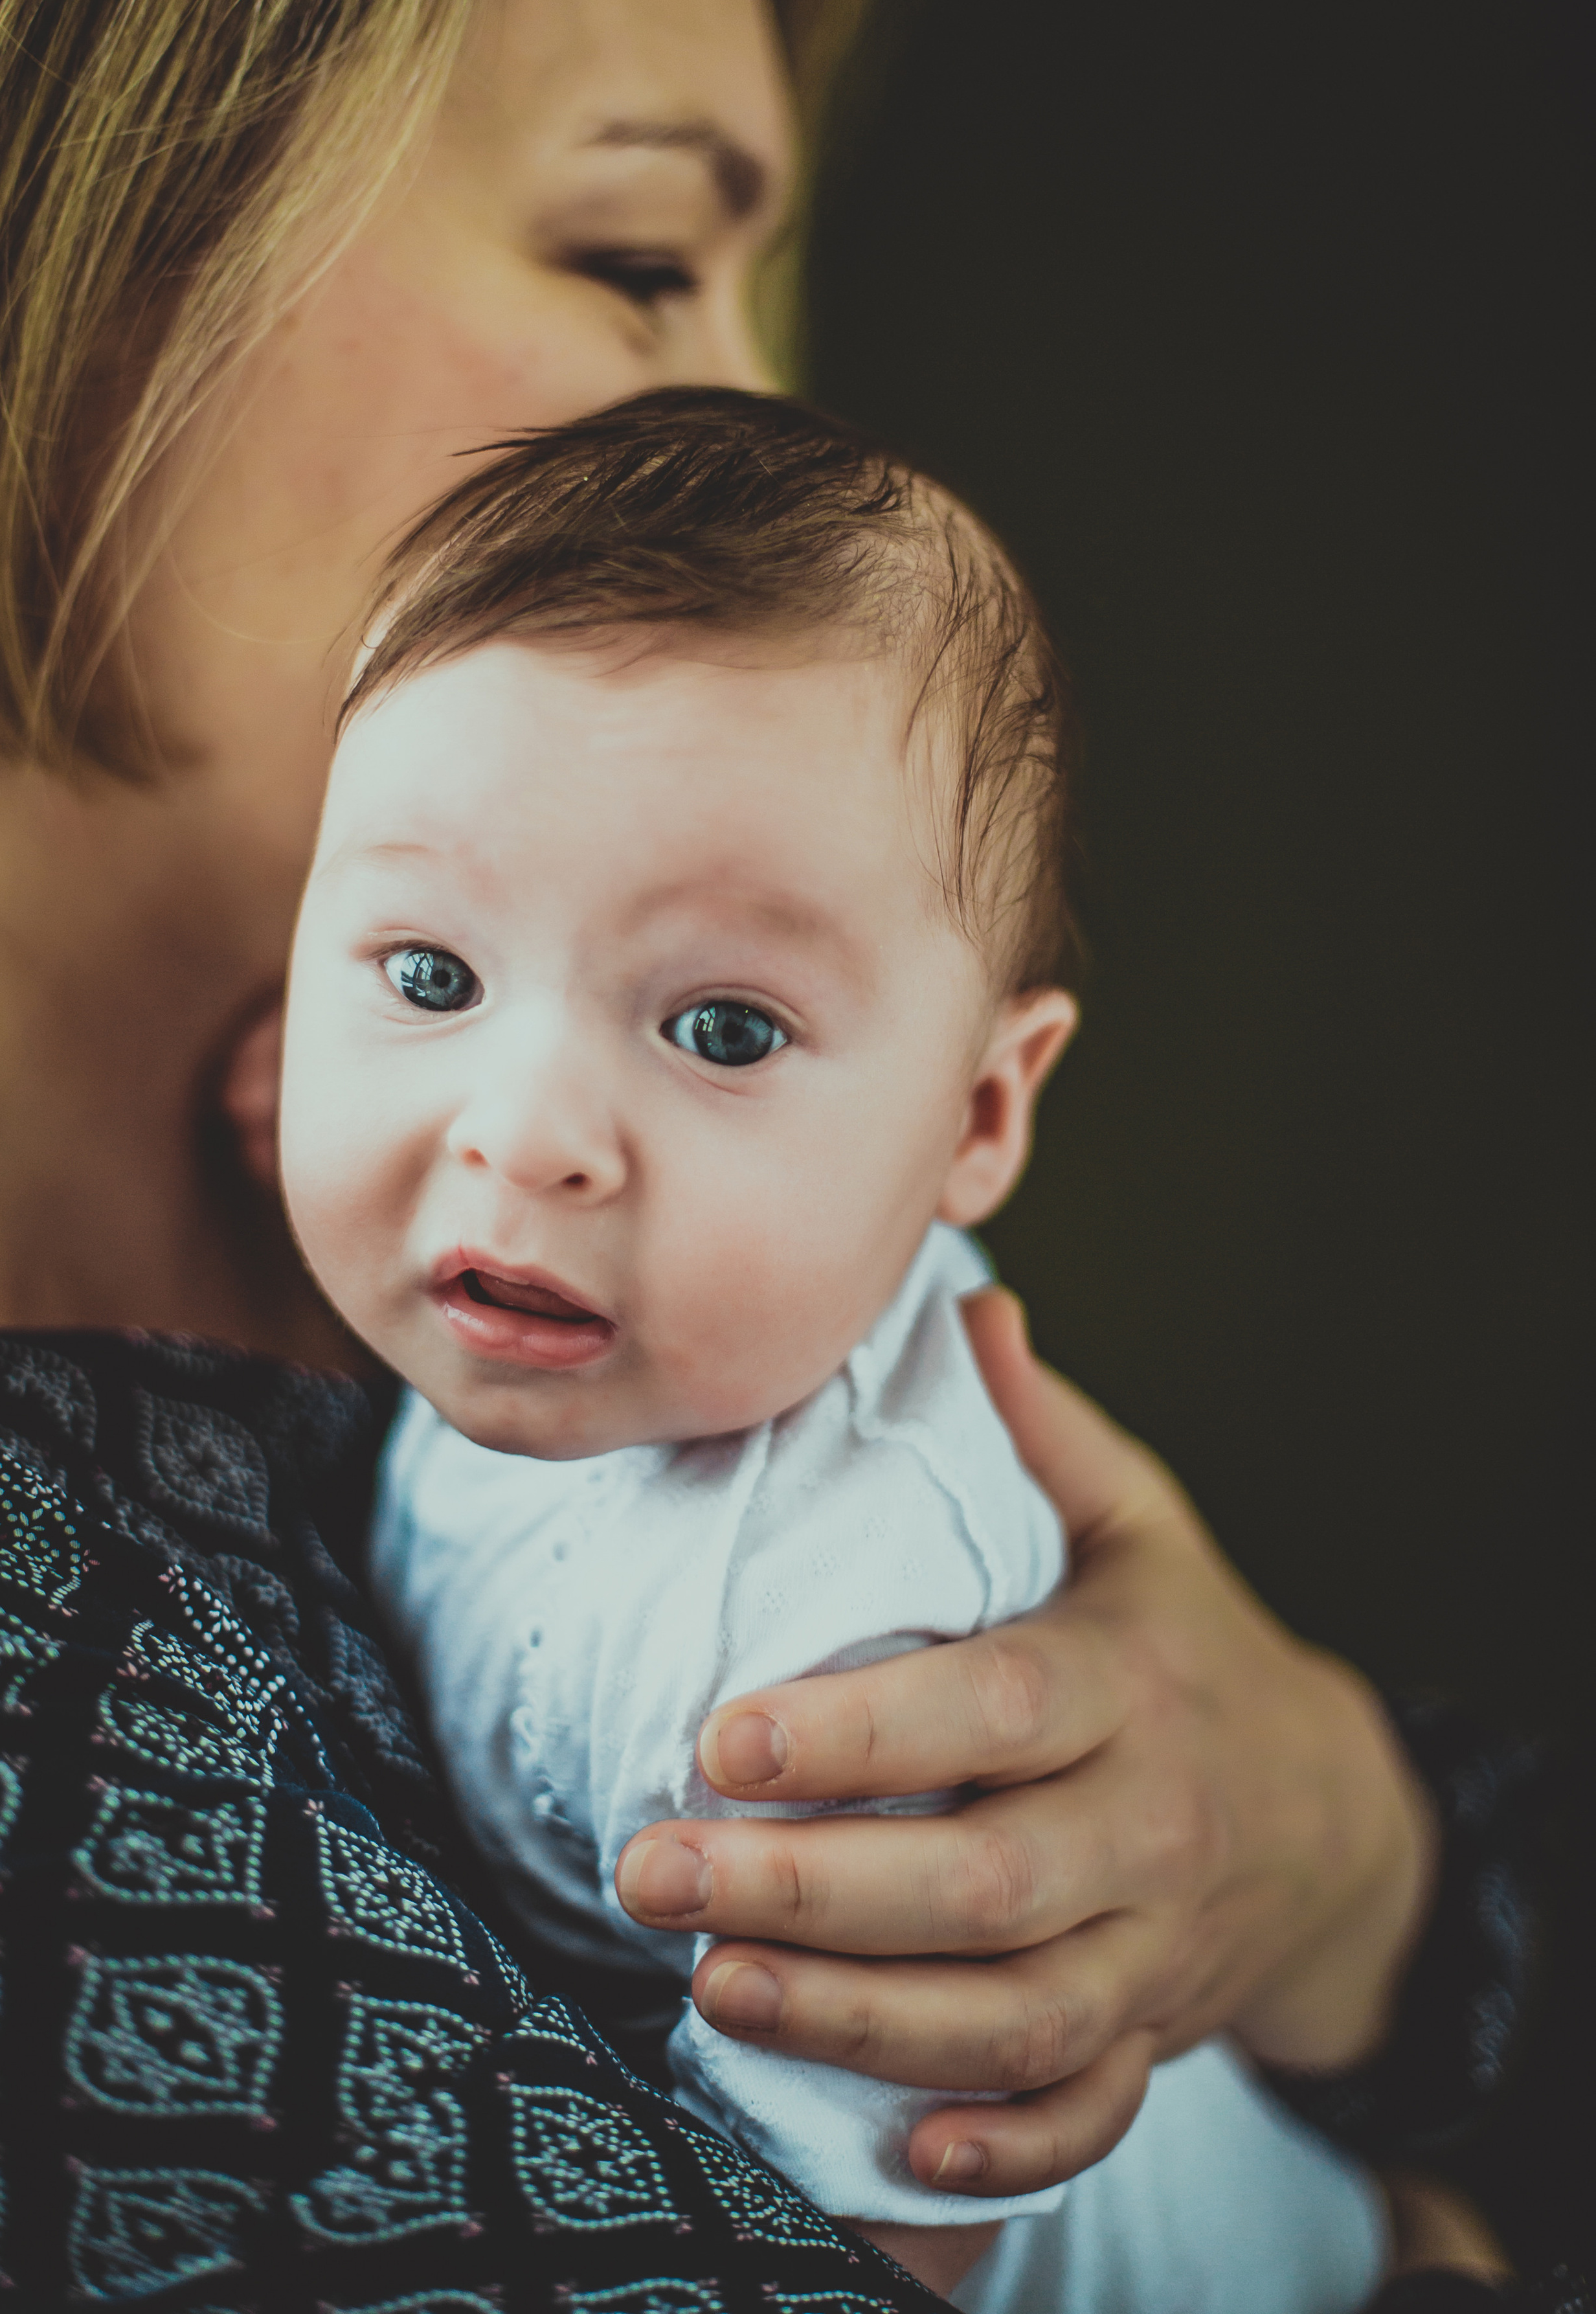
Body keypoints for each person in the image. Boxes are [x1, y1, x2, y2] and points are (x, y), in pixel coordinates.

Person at [0, 0, 1546, 2299]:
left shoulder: (643, 1304)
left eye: (716, 1026)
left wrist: (1342, 1844)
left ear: (986, 1108)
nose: (755, 432)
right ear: (57, 198)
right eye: (630, 254)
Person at [277, 382, 1389, 2305]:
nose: (522, 1129)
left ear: (976, 1118)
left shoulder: (831, 1661)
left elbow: (866, 2254)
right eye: (434, 976)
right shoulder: (562, 1253)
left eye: (719, 1029)